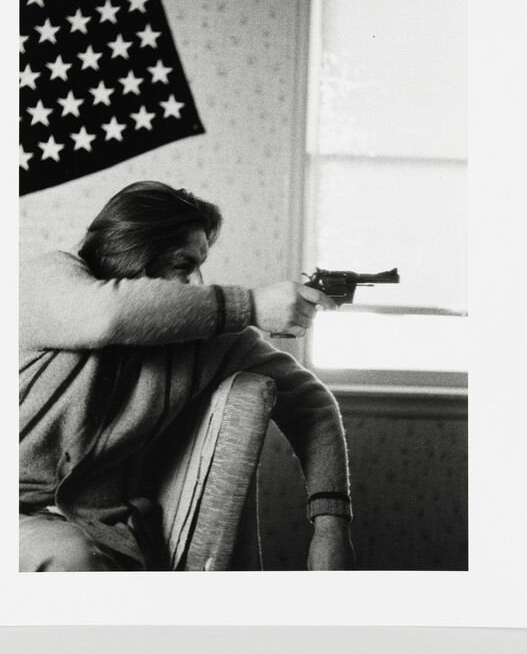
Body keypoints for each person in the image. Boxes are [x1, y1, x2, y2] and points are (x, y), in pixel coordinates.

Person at [19, 180, 355, 571]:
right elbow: (105, 316)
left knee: (76, 560)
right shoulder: (47, 277)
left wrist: (330, 528)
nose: (199, 283)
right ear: (134, 253)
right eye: (184, 265)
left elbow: (311, 403)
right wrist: (252, 305)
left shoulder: (209, 342)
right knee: (70, 559)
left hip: (92, 535)